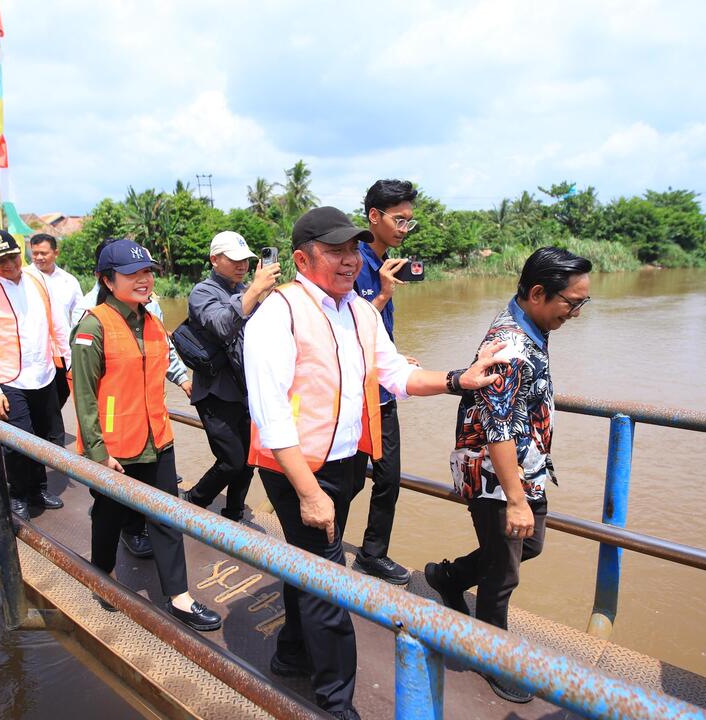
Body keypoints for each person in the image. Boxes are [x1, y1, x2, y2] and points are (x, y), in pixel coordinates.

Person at [243, 207, 506, 720]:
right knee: (329, 585)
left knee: (308, 565)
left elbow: (396, 375)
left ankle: (291, 654)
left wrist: (458, 379)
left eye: (352, 250)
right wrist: (308, 492)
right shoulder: (279, 313)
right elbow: (270, 414)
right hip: (295, 469)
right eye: (335, 251)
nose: (349, 260)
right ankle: (336, 703)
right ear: (302, 259)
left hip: (344, 463)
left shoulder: (361, 312)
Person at [425, 247, 591, 704]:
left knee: (528, 545)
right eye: (572, 303)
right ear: (538, 293)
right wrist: (515, 500)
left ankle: (450, 577)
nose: (576, 313)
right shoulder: (511, 346)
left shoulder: (533, 326)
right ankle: (493, 657)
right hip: (496, 474)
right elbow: (498, 427)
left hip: (524, 465)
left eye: (583, 303)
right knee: (503, 574)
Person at [70, 238, 222, 631]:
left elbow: (162, 369)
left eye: (147, 272)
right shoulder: (93, 326)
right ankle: (102, 578)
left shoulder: (153, 322)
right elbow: (84, 396)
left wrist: (186, 383)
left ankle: (180, 597)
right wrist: (98, 451)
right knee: (109, 517)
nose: (144, 279)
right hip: (114, 446)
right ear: (107, 280)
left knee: (166, 518)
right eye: (132, 274)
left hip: (158, 439)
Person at [0, 230, 70, 518]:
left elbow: (57, 324)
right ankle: (19, 493)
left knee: (44, 437)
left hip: (44, 373)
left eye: (13, 257)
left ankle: (38, 488)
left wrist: (67, 362)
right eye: (1, 261)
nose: (10, 264)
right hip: (8, 378)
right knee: (18, 441)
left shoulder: (37, 280)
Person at [183, 230, 279, 522]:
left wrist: (267, 295)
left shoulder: (247, 289)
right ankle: (193, 501)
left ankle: (234, 514)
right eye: (235, 260)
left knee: (248, 460)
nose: (242, 266)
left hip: (246, 389)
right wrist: (254, 291)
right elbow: (223, 326)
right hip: (216, 391)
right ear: (214, 260)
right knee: (231, 460)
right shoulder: (202, 292)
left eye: (246, 260)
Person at [352, 179, 419, 585]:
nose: (404, 229)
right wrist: (382, 295)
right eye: (399, 220)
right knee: (346, 480)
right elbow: (345, 329)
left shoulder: (385, 263)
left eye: (409, 221)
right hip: (353, 395)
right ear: (374, 217)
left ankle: (372, 553)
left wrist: (393, 356)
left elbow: (376, 334)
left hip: (382, 389)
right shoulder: (353, 262)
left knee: (388, 478)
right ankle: (321, 548)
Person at [23, 233, 83, 445]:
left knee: (61, 393)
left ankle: (44, 436)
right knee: (40, 398)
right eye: (35, 253)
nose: (39, 257)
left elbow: (79, 315)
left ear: (55, 253)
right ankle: (43, 440)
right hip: (36, 352)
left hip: (63, 351)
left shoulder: (68, 281)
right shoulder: (23, 278)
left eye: (44, 253)